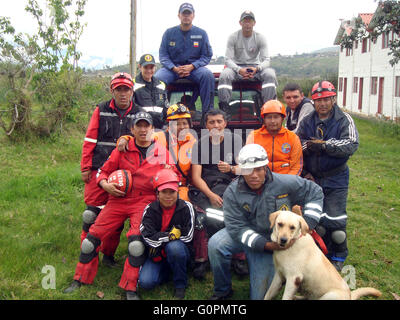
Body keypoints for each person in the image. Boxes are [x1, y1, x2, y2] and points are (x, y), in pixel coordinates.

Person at [64, 112, 178, 300]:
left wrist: (168, 174)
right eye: (138, 126)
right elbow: (103, 171)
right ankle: (80, 278)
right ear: (132, 129)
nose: (143, 130)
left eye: (146, 126)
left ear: (152, 129)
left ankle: (130, 288)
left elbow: (173, 180)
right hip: (118, 199)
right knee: (90, 240)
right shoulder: (121, 150)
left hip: (144, 201)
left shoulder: (162, 153)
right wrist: (104, 184)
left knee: (136, 244)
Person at [207, 144, 324, 300]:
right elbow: (236, 227)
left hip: (274, 238)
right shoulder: (232, 192)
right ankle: (222, 291)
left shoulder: (284, 182)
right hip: (250, 237)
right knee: (216, 244)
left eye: (258, 169)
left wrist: (307, 224)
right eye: (248, 170)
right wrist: (266, 245)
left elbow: (315, 191)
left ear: (265, 168)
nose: (254, 175)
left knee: (260, 297)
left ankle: (266, 270)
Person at [297, 80, 359, 272]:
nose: (322, 104)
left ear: (333, 98)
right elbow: (298, 144)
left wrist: (324, 145)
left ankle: (338, 256)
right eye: (318, 100)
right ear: (313, 101)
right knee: (318, 221)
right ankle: (320, 255)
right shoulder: (307, 120)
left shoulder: (343, 119)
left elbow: (350, 144)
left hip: (336, 177)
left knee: (336, 222)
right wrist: (306, 169)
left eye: (326, 99)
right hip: (313, 178)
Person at [79, 72, 136, 267]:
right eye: (118, 89)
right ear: (112, 91)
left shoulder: (139, 113)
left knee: (116, 220)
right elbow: (89, 139)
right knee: (91, 214)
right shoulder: (100, 110)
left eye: (126, 89)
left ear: (132, 91)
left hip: (124, 174)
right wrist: (86, 167)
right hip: (98, 169)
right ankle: (88, 254)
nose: (122, 93)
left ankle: (108, 256)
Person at [189, 109, 246, 279]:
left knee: (239, 214)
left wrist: (231, 169)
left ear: (225, 123)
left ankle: (239, 257)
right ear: (206, 125)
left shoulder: (235, 141)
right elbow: (196, 177)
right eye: (211, 122)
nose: (216, 125)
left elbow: (245, 169)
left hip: (231, 185)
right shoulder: (199, 145)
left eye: (219, 121)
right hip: (207, 188)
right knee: (201, 218)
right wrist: (211, 195)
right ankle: (202, 259)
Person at [117, 103, 196, 201]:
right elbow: (140, 139)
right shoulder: (158, 137)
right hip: (160, 186)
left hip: (182, 186)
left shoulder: (193, 141)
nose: (182, 127)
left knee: (184, 204)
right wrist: (125, 138)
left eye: (185, 123)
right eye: (177, 123)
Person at [139, 169, 195, 299]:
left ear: (178, 192)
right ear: (157, 193)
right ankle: (169, 271)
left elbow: (188, 236)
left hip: (179, 251)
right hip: (157, 254)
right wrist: (170, 236)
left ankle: (180, 285)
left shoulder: (187, 207)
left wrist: (161, 239)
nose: (168, 196)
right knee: (146, 283)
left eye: (172, 192)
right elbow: (146, 235)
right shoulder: (150, 209)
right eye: (164, 192)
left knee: (174, 247)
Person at [155, 2, 214, 118]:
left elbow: (207, 55)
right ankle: (160, 116)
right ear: (179, 15)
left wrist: (193, 66)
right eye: (184, 13)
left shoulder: (202, 34)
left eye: (189, 13)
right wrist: (174, 68)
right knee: (157, 79)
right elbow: (163, 55)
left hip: (194, 69)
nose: (186, 16)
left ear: (193, 16)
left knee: (208, 76)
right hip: (172, 69)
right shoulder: (169, 33)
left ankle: (207, 116)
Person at [218, 10, 278, 112]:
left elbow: (266, 60)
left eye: (250, 21)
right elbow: (228, 59)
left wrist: (257, 69)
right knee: (225, 75)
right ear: (240, 23)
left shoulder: (260, 38)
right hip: (236, 68)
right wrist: (239, 70)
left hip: (255, 67)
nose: (247, 23)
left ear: (254, 23)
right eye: (245, 21)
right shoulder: (233, 37)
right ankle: (224, 110)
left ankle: (269, 109)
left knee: (270, 74)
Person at [246, 100, 303, 176]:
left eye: (276, 117)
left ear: (282, 119)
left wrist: (287, 183)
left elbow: (296, 166)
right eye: (269, 117)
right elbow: (249, 162)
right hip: (261, 180)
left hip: (286, 181)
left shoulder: (293, 138)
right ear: (264, 119)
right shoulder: (253, 136)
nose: (272, 121)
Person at [134, 53, 169, 130]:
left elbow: (166, 109)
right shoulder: (133, 85)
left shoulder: (161, 85)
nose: (149, 70)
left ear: (155, 67)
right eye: (146, 67)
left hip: (160, 129)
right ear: (140, 67)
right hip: (142, 129)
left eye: (151, 67)